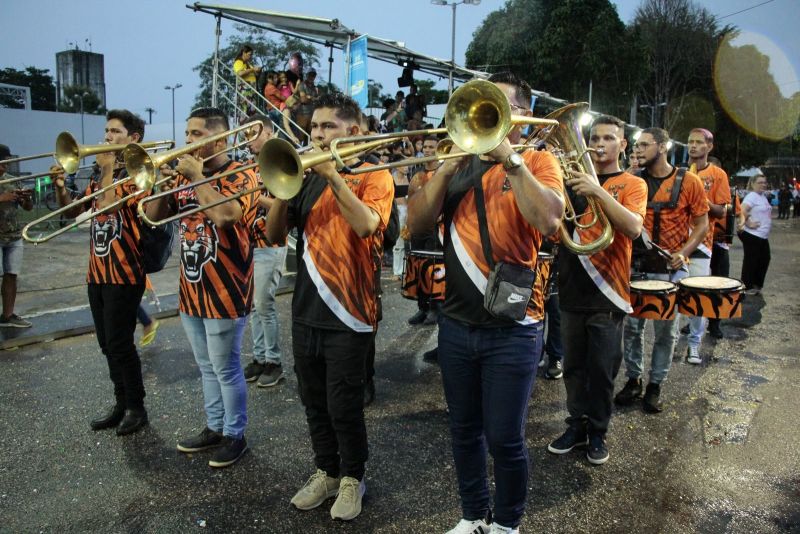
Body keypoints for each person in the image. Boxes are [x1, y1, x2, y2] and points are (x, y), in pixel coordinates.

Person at [407, 72, 565, 534]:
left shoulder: (537, 159)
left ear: (521, 115)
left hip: (514, 327)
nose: (485, 115)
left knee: (505, 438)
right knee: (462, 432)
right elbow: (417, 226)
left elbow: (550, 220)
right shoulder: (451, 162)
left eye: (498, 106)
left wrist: (511, 160)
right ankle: (474, 514)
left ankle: (508, 523)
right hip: (455, 323)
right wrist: (444, 170)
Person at [265, 93, 393, 521]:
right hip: (306, 310)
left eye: (328, 127)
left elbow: (365, 224)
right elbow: (271, 235)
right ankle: (327, 470)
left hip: (351, 312)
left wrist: (333, 175)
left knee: (344, 405)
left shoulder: (375, 174)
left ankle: (353, 477)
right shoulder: (307, 177)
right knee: (313, 400)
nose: (317, 134)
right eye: (315, 127)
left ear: (352, 131)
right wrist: (284, 187)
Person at [144, 107, 258, 468]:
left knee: (226, 368)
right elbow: (155, 215)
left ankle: (235, 434)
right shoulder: (185, 176)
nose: (187, 141)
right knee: (206, 367)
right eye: (188, 133)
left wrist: (196, 177)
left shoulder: (243, 174)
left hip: (227, 290)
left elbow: (226, 216)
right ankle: (214, 426)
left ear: (218, 138)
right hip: (191, 288)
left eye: (195, 134)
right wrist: (161, 183)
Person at [547, 115, 647, 465]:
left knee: (602, 370)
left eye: (609, 138)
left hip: (609, 290)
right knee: (573, 367)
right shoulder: (568, 178)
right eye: (595, 137)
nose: (600, 144)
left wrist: (598, 191)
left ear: (623, 145)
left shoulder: (633, 183)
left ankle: (598, 433)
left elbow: (634, 228)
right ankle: (576, 425)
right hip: (572, 285)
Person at [52, 110, 150, 434]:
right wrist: (60, 188)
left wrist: (108, 169)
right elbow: (73, 212)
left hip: (124, 273)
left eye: (115, 131)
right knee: (107, 344)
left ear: (133, 138)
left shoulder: (139, 174)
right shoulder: (97, 176)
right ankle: (120, 402)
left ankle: (137, 407)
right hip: (96, 273)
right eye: (107, 130)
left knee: (121, 343)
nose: (107, 137)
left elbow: (110, 205)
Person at [615, 127, 709, 413]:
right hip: (637, 267)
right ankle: (634, 379)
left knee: (666, 332)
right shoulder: (632, 180)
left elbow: (702, 223)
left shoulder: (688, 181)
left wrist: (684, 252)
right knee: (632, 329)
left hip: (670, 270)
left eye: (644, 145)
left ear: (663, 146)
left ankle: (656, 384)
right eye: (636, 145)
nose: (638, 150)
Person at [241, 114, 288, 388]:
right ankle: (260, 357)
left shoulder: (280, 161)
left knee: (264, 304)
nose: (247, 141)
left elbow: (285, 206)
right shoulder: (248, 166)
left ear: (268, 133)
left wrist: (253, 197)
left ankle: (274, 361)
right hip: (249, 244)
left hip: (270, 244)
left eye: (252, 134)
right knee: (254, 308)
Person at [686, 128, 734, 342]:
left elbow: (722, 211)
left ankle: (711, 326)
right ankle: (690, 327)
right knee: (685, 288)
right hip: (684, 240)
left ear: (709, 146)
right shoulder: (683, 172)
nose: (693, 145)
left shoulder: (718, 174)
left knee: (708, 286)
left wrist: (699, 200)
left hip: (711, 241)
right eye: (690, 141)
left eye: (698, 142)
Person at [406, 136, 443, 326]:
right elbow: (410, 201)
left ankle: (436, 309)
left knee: (433, 267)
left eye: (431, 147)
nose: (427, 150)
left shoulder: (443, 173)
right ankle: (422, 308)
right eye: (425, 147)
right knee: (419, 266)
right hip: (418, 228)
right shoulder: (417, 174)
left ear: (439, 149)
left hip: (436, 228)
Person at [0, 143, 34, 328]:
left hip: (13, 236)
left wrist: (25, 199)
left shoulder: (12, 180)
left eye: (6, 162)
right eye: (1, 162)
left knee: (11, 275)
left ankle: (7, 315)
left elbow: (28, 208)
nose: (4, 166)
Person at [738, 173, 772, 295]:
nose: (763, 184)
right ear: (752, 184)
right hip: (752, 234)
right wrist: (748, 223)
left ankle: (756, 285)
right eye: (760, 182)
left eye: (764, 182)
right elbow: (741, 210)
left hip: (761, 235)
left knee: (764, 259)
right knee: (751, 260)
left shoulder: (762, 196)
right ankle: (747, 286)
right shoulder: (752, 196)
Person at [233, 45, 262, 119]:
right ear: (244, 53)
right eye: (249, 54)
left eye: (251, 55)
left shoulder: (248, 64)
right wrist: (252, 70)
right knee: (244, 110)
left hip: (252, 90)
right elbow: (240, 73)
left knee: (252, 111)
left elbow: (255, 75)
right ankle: (244, 127)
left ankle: (251, 127)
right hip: (245, 90)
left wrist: (258, 71)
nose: (251, 56)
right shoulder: (238, 62)